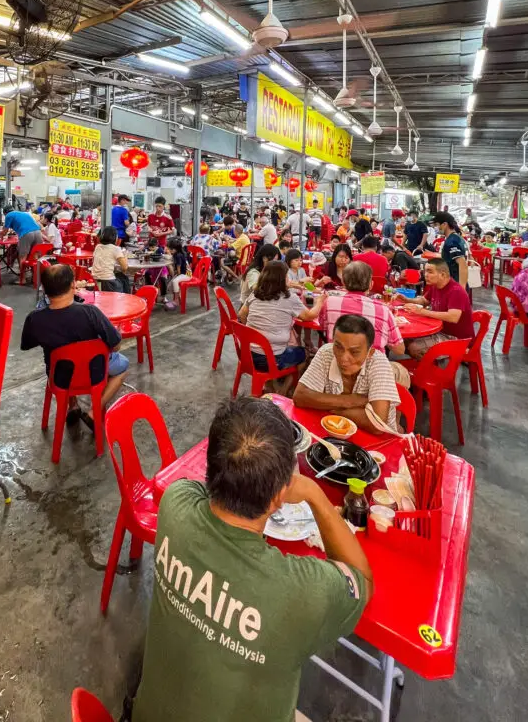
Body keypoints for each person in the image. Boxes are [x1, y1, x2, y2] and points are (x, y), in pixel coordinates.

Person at [132, 396, 371, 722]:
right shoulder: (302, 592)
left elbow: (199, 491)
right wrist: (315, 495)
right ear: (279, 497)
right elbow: (360, 577)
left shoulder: (175, 505)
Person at [20, 264, 128, 430]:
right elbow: (116, 345)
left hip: (58, 377)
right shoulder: (90, 312)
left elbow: (27, 344)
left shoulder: (34, 319)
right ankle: (93, 411)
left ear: (44, 288)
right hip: (94, 374)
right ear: (73, 285)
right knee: (123, 367)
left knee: (67, 360)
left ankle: (73, 406)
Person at [294, 314, 402, 432]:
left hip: (379, 441)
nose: (343, 358)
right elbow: (300, 397)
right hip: (336, 431)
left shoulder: (378, 362)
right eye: (338, 347)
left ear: (369, 352)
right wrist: (351, 400)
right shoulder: (326, 353)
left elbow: (378, 424)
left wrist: (335, 410)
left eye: (354, 352)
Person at [238, 261, 324, 375]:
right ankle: (285, 389)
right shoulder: (289, 298)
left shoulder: (255, 294)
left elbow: (241, 315)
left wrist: (255, 331)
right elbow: (309, 316)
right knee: (305, 354)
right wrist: (320, 301)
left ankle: (270, 385)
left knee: (285, 345)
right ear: (283, 278)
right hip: (272, 359)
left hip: (247, 354)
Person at [319, 261, 406, 361]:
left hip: (338, 363)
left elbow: (324, 327)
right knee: (400, 370)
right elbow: (399, 350)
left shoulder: (329, 303)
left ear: (343, 282)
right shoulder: (383, 310)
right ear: (371, 284)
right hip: (372, 369)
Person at [394, 258, 474, 359]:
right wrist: (405, 299)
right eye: (425, 271)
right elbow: (423, 301)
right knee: (402, 340)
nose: (426, 275)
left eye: (430, 272)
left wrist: (422, 312)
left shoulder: (456, 291)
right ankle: (427, 366)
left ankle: (433, 371)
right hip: (440, 332)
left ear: (443, 275)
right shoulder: (436, 286)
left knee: (414, 347)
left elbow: (453, 317)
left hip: (458, 340)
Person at [432, 212, 468, 288]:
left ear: (444, 224)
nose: (435, 228)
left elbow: (462, 264)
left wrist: (461, 289)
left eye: (436, 225)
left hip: (455, 284)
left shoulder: (452, 241)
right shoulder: (455, 238)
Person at [91, 226, 130, 293]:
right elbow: (125, 267)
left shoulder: (98, 246)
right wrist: (125, 254)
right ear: (115, 237)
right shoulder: (115, 249)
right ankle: (125, 300)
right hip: (109, 283)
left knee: (119, 276)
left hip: (95, 280)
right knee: (124, 278)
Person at [163, 235, 190, 311]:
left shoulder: (178, 255)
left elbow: (178, 269)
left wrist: (176, 276)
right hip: (182, 273)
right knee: (170, 285)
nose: (169, 250)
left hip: (186, 274)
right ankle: (178, 298)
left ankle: (176, 301)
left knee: (175, 281)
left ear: (176, 249)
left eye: (171, 249)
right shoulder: (176, 254)